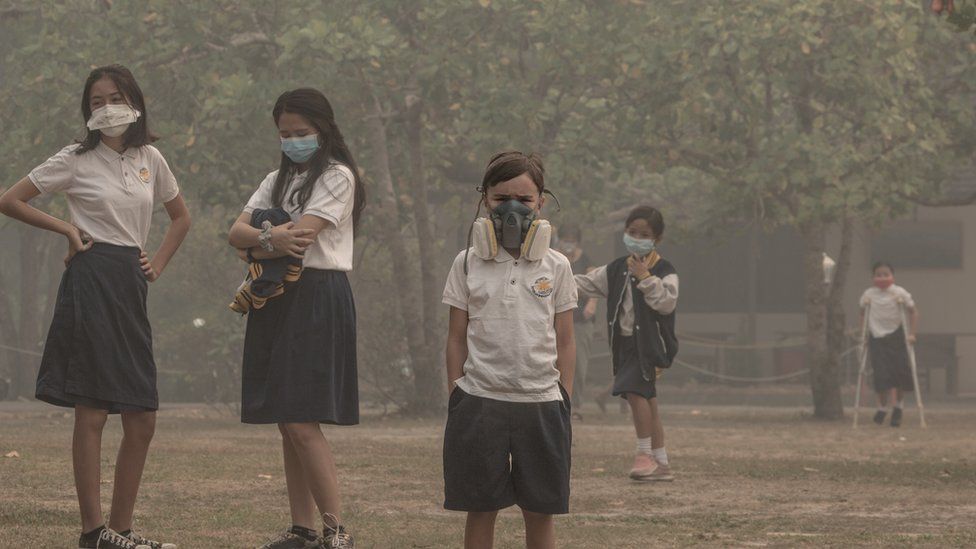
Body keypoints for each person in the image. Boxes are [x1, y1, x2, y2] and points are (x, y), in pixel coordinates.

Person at [0, 64, 191, 549]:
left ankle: (121, 530)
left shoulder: (152, 158)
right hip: (90, 274)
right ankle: (93, 532)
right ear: (88, 111)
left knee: (142, 414)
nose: (106, 108)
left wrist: (158, 263)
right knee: (93, 409)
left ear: (134, 101)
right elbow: (10, 199)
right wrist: (66, 228)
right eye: (96, 101)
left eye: (114, 97)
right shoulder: (74, 159)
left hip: (130, 278)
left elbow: (180, 216)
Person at [228, 88, 365, 549]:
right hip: (274, 296)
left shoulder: (338, 176)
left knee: (303, 419)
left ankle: (334, 532)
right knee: (287, 418)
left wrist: (257, 240)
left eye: (301, 133)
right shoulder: (275, 179)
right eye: (285, 134)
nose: (293, 141)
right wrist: (265, 240)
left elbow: (303, 238)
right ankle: (302, 529)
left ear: (323, 129)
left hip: (317, 296)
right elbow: (233, 233)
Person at [442, 151, 576, 549]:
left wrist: (563, 396)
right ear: (485, 200)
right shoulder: (466, 263)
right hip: (480, 401)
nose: (513, 209)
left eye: (525, 199)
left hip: (543, 402)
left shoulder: (558, 266)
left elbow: (566, 340)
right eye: (501, 200)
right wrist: (456, 395)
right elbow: (455, 337)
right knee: (480, 507)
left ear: (541, 202)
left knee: (540, 510)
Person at [575, 205, 678, 482]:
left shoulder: (664, 270)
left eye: (644, 234)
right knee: (648, 400)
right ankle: (661, 461)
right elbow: (584, 284)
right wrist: (552, 280)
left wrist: (646, 277)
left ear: (656, 238)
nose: (636, 238)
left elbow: (667, 303)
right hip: (624, 344)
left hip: (648, 345)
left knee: (634, 394)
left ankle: (644, 454)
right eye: (632, 232)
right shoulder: (617, 268)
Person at [860, 261, 919, 428]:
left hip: (896, 336)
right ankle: (881, 408)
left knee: (899, 373)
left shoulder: (899, 292)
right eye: (878, 274)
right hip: (876, 337)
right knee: (881, 374)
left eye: (886, 274)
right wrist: (862, 334)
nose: (882, 277)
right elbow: (862, 313)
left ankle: (898, 408)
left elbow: (913, 311)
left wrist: (912, 333)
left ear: (892, 275)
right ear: (873, 277)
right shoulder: (869, 294)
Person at [556, 224, 599, 419]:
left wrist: (591, 305)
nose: (568, 244)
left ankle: (575, 406)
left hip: (580, 320)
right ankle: (556, 404)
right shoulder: (553, 257)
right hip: (556, 319)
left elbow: (594, 285)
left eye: (572, 240)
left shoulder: (586, 259)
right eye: (565, 239)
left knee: (578, 364)